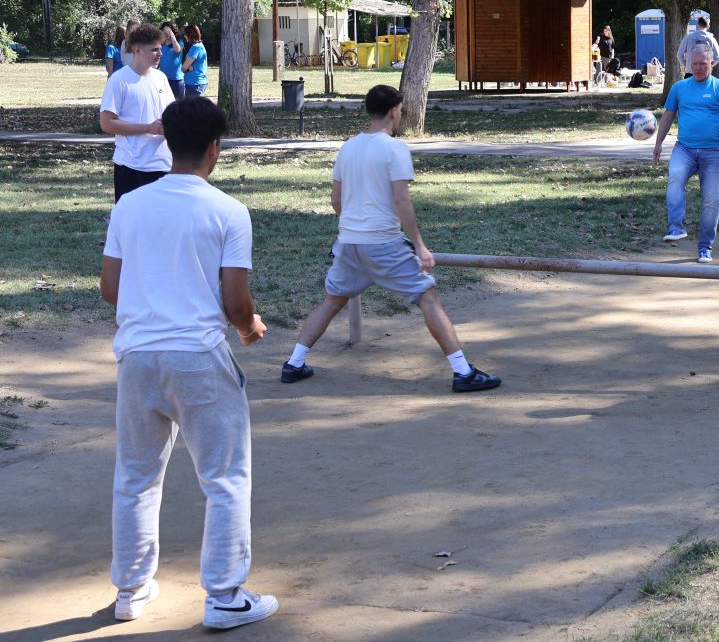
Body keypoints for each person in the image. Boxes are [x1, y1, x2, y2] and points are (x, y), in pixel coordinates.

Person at [100, 96, 279, 630]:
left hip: (136, 357)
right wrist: (249, 329)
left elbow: (111, 290)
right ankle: (224, 596)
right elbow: (237, 303)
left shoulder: (128, 206)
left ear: (166, 142)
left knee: (134, 475)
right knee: (224, 478)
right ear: (215, 149)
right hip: (198, 358)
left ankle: (130, 591)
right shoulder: (227, 211)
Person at [280, 84, 503, 394]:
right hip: (383, 243)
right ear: (394, 112)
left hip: (348, 243)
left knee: (332, 301)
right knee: (428, 297)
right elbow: (402, 200)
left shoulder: (348, 147)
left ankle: (293, 363)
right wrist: (420, 245)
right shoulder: (395, 149)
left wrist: (352, 227)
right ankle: (463, 372)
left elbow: (335, 200)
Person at [651, 45, 719, 263]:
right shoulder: (679, 88)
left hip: (715, 152)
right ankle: (675, 228)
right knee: (675, 178)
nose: (699, 68)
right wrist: (658, 143)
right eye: (695, 64)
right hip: (685, 149)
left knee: (711, 201)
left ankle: (705, 248)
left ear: (712, 63)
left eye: (703, 63)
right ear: (689, 65)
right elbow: (668, 116)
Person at [100, 23, 175, 202]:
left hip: (163, 164)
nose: (160, 53)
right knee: (131, 227)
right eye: (155, 49)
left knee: (161, 226)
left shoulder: (161, 78)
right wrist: (147, 128)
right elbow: (106, 123)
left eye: (161, 48)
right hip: (131, 166)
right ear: (137, 49)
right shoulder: (119, 80)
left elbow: (172, 113)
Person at [159, 21, 185, 100]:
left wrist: (172, 36)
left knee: (178, 104)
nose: (165, 33)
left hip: (176, 80)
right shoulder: (161, 44)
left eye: (168, 31)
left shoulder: (179, 42)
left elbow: (177, 50)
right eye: (164, 31)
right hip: (163, 79)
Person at [182, 24, 209, 97]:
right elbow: (188, 61)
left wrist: (186, 68)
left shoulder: (195, 48)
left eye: (185, 34)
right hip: (196, 83)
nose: (184, 36)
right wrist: (189, 65)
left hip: (194, 84)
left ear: (190, 35)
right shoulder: (199, 45)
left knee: (192, 108)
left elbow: (184, 68)